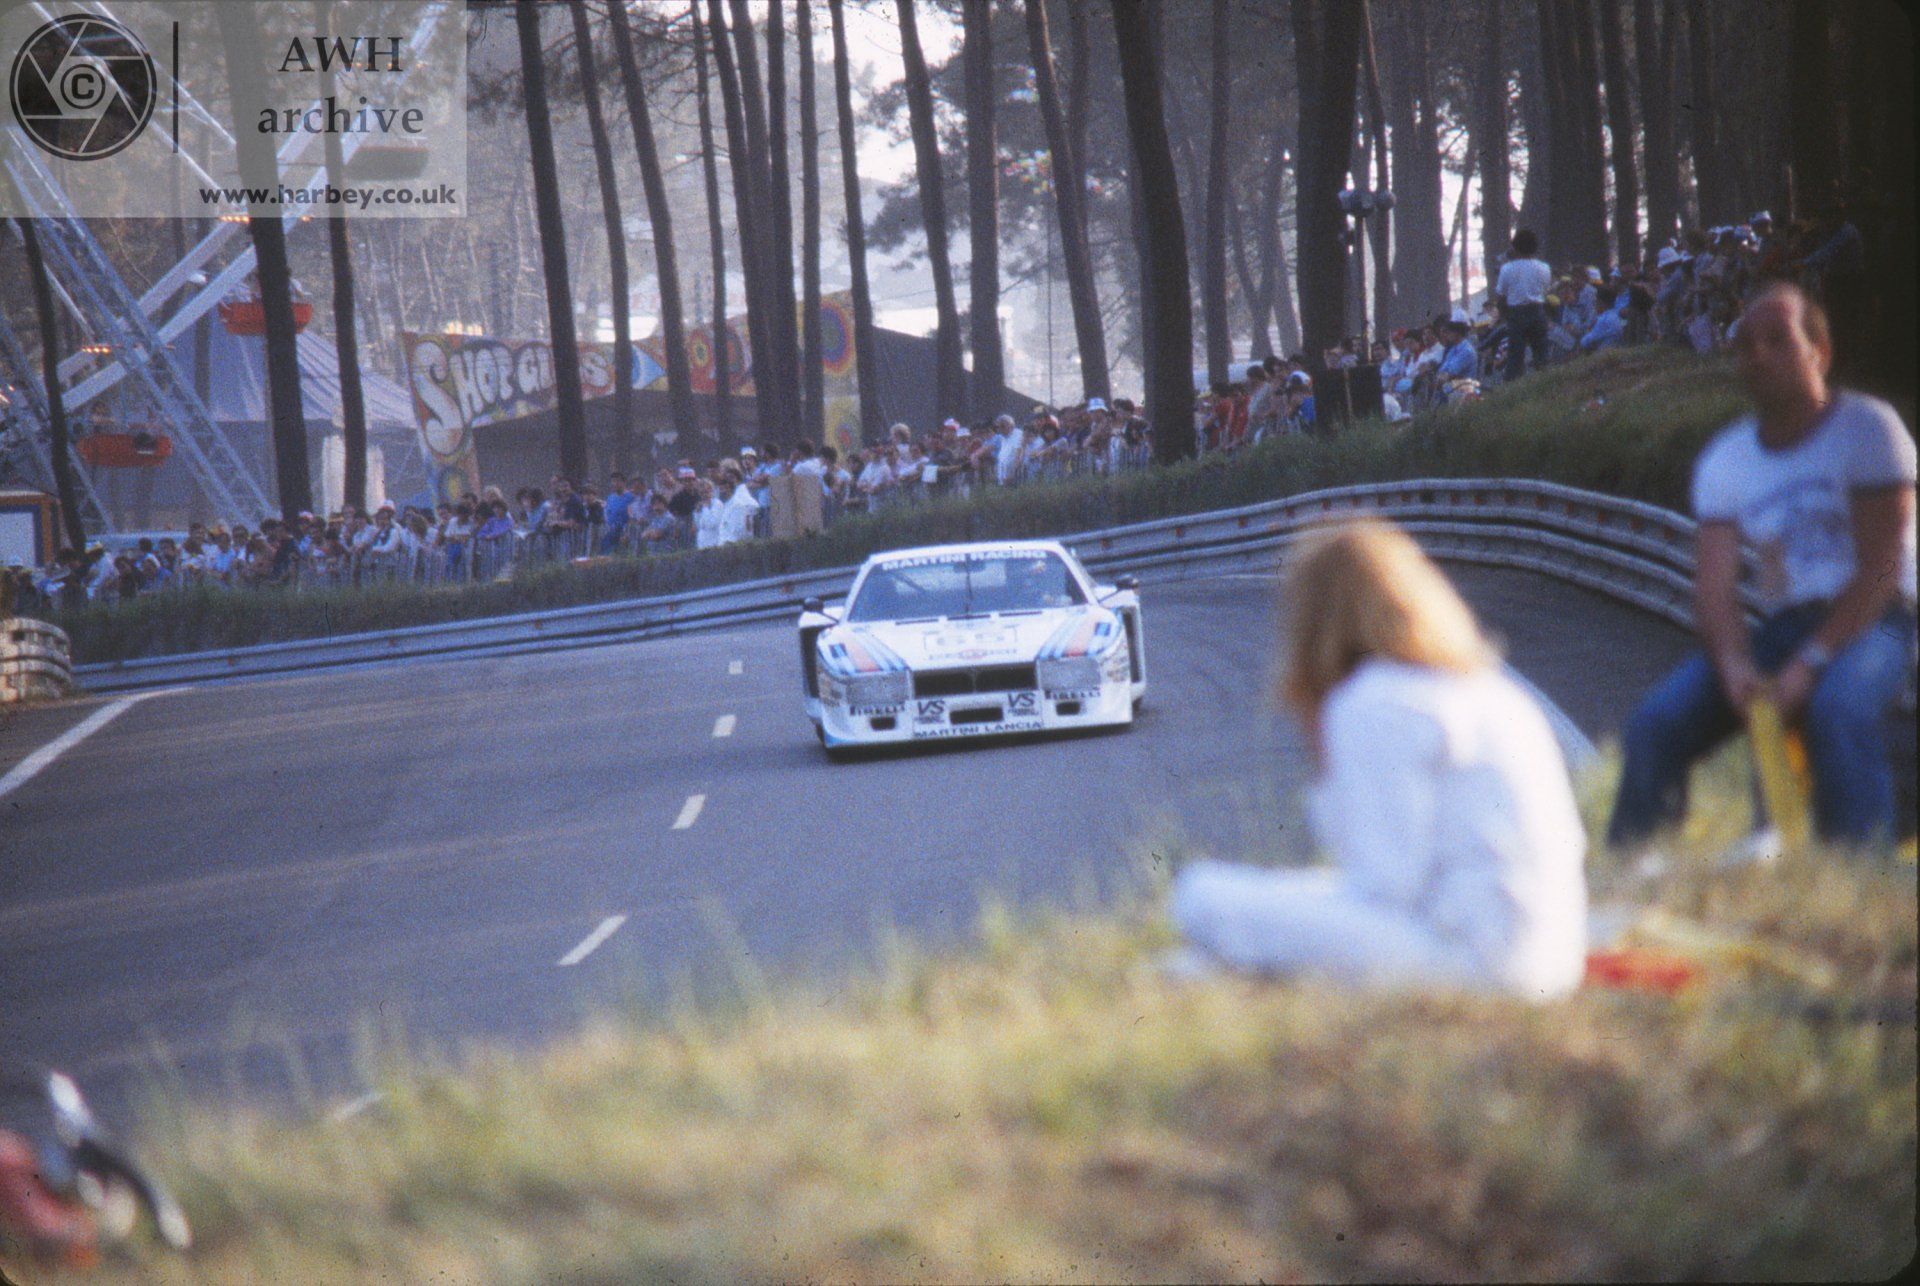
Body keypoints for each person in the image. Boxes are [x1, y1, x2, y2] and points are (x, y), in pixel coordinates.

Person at [1170, 518, 1588, 997]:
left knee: (1199, 895)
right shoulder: (1487, 688)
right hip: (1554, 957)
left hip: (1472, 963)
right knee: (1270, 903)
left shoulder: (1372, 700)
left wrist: (1324, 759)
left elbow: (1383, 885)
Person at [1609, 284, 1917, 848]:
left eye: (1779, 340)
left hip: (1885, 615)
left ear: (1818, 351)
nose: (1759, 356)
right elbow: (1715, 588)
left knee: (1837, 710)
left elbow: (1882, 566)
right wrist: (1732, 665)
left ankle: (1858, 887)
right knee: (1655, 724)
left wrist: (1808, 663)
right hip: (1788, 623)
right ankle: (1636, 888)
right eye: (1746, 345)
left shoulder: (1870, 430)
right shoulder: (1728, 459)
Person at [1494, 229, 1552, 381]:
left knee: (1515, 354)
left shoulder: (1507, 269)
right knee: (1541, 351)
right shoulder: (1544, 268)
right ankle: (1545, 381)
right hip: (1538, 310)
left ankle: (1512, 385)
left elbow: (1500, 295)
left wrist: (1504, 313)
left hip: (1516, 313)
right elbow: (1545, 289)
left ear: (1515, 247)